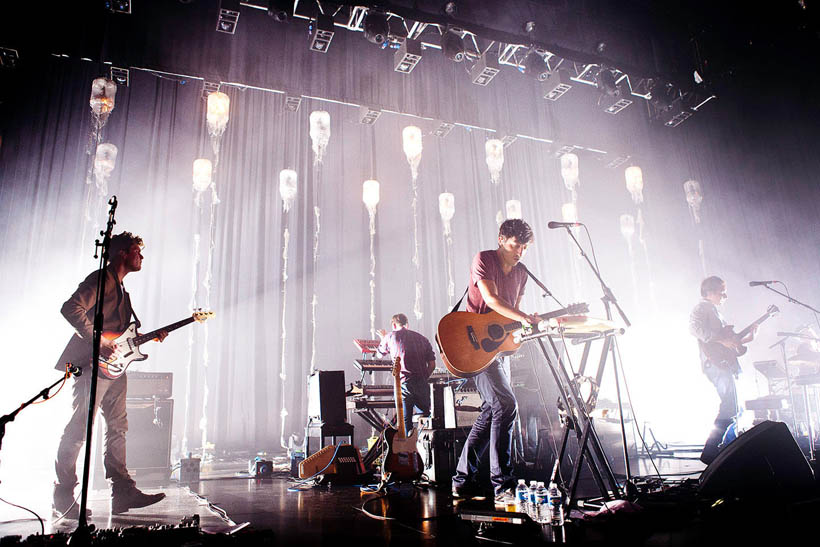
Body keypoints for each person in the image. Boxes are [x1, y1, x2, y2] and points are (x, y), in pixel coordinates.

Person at [53, 232, 167, 519]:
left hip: (115, 369)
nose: (141, 257)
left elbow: (121, 334)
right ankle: (63, 494)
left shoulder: (123, 291)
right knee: (79, 430)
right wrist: (100, 341)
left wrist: (146, 338)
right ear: (122, 253)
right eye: (136, 251)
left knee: (118, 428)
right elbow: (71, 308)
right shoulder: (101, 280)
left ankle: (122, 493)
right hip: (91, 365)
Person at [451, 219, 540, 501]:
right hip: (471, 343)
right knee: (505, 404)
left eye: (525, 247)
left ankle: (461, 480)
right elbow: (490, 299)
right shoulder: (484, 259)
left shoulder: (522, 273)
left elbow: (512, 312)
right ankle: (503, 486)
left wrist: (524, 327)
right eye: (516, 245)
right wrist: (522, 318)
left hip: (497, 348)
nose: (520, 252)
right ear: (502, 239)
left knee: (493, 410)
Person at [689, 276, 756, 464]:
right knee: (731, 405)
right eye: (721, 291)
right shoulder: (702, 308)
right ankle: (712, 449)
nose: (724, 295)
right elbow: (694, 329)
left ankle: (728, 448)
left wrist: (746, 339)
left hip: (723, 362)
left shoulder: (715, 312)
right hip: (715, 364)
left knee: (736, 407)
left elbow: (728, 343)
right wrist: (722, 340)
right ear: (709, 292)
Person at [376, 313, 436, 435]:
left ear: (393, 324)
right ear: (407, 324)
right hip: (422, 385)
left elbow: (379, 354)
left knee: (405, 423)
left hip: (403, 384)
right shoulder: (422, 338)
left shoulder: (390, 336)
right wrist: (423, 378)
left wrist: (383, 338)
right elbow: (432, 365)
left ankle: (408, 450)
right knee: (425, 419)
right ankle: (423, 449)